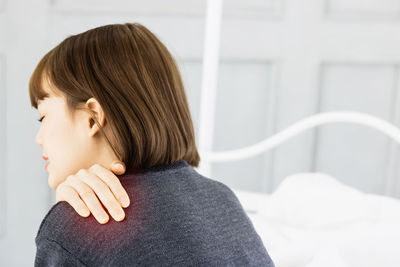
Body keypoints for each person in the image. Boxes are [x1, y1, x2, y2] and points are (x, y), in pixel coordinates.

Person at [30, 22, 275, 266]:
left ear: (92, 117)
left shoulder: (72, 228)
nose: (38, 138)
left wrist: (65, 223)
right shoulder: (222, 200)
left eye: (43, 116)